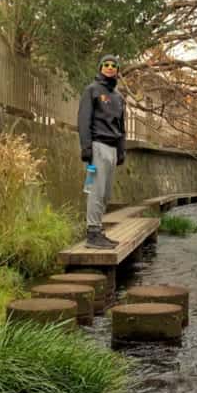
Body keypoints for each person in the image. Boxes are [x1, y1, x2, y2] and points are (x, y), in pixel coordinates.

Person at [78, 54, 127, 248]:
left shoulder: (118, 97)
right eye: (105, 65)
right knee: (96, 191)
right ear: (100, 68)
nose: (109, 67)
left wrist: (121, 151)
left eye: (113, 65)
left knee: (106, 193)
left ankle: (98, 230)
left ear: (117, 69)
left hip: (113, 149)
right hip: (98, 146)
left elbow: (121, 126)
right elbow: (84, 120)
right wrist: (86, 147)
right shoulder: (92, 90)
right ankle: (92, 233)